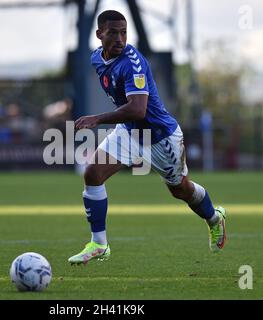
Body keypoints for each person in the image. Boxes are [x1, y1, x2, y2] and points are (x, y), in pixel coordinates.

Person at [68, 10, 226, 265]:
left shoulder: (133, 63)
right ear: (99, 34)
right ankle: (99, 244)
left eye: (124, 32)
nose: (120, 38)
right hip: (130, 132)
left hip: (161, 138)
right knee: (92, 174)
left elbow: (138, 109)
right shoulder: (97, 58)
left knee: (180, 190)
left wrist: (96, 119)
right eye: (113, 32)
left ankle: (214, 218)